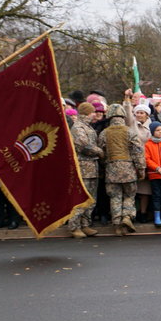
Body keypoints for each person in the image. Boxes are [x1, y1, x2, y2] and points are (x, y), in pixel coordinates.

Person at [99, 103, 145, 236]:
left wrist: (104, 167)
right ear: (123, 116)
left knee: (115, 197)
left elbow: (101, 153)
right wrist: (141, 169)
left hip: (111, 170)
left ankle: (117, 224)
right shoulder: (130, 131)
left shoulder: (104, 133)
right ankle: (127, 216)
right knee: (130, 195)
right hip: (128, 170)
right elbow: (138, 152)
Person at [67, 102, 104, 238]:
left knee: (91, 199)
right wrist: (99, 151)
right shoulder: (78, 127)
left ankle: (85, 224)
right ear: (87, 113)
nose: (95, 114)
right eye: (93, 112)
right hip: (83, 167)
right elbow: (83, 145)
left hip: (92, 167)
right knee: (82, 197)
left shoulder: (88, 126)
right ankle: (74, 226)